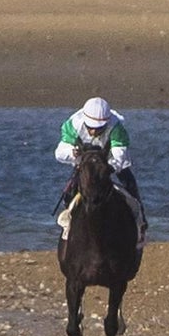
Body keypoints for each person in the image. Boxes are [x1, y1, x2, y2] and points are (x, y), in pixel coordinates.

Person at [55, 97, 146, 239]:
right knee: (69, 191)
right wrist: (72, 152)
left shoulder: (116, 128)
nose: (93, 132)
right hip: (85, 164)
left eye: (98, 128)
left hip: (111, 163)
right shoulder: (73, 124)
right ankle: (68, 223)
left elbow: (119, 157)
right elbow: (59, 152)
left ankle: (140, 222)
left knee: (130, 186)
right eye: (90, 127)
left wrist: (106, 169)